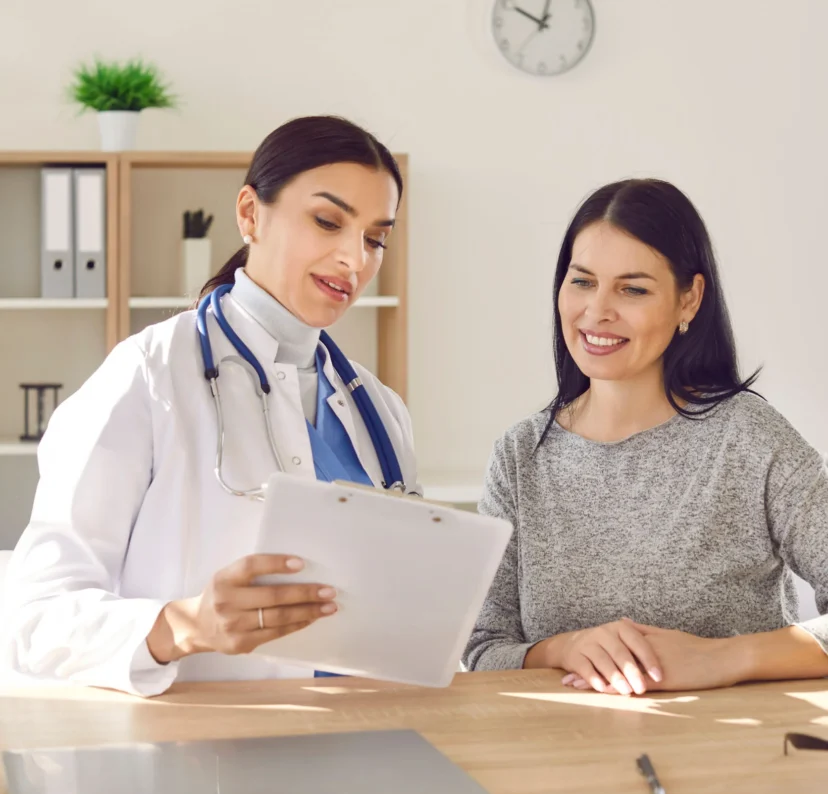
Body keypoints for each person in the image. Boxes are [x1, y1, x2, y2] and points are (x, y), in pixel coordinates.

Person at [2, 115, 420, 696]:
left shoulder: (380, 411)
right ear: (250, 214)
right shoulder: (148, 373)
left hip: (373, 737)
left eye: (376, 238)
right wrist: (185, 626)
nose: (356, 258)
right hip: (201, 756)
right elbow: (33, 620)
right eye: (328, 222)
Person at [463, 178, 828, 695]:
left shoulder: (751, 440)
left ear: (689, 300)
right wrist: (563, 648)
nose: (597, 311)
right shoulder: (521, 455)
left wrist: (722, 657)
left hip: (732, 758)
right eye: (582, 281)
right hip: (556, 758)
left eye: (633, 289)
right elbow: (482, 650)